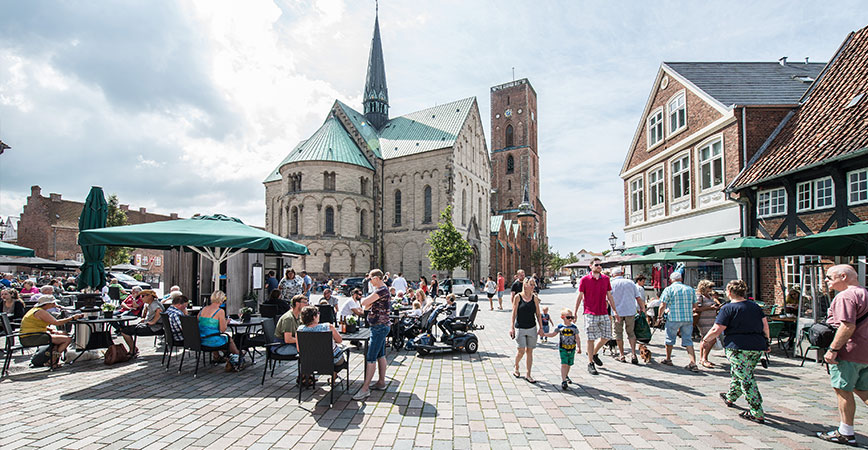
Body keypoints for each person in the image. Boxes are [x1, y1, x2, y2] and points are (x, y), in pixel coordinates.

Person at [700, 280, 769, 424]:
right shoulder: (755, 306)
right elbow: (765, 326)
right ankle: (730, 396)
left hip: (737, 347)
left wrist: (705, 340)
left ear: (730, 292)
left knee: (746, 378)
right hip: (756, 346)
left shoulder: (728, 308)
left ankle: (756, 411)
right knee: (741, 372)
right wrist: (766, 342)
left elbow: (717, 329)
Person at [816, 264, 868, 445]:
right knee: (864, 390)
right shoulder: (865, 293)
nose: (826, 280)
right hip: (865, 351)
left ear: (844, 276)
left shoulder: (845, 296)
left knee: (843, 390)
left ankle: (846, 432)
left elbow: (847, 326)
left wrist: (833, 350)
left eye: (830, 277)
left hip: (848, 352)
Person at [574, 258, 619, 375]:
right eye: (597, 265)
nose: (599, 267)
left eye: (601, 265)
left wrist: (615, 311)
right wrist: (575, 312)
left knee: (606, 336)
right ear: (591, 266)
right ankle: (590, 363)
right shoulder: (585, 280)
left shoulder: (606, 279)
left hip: (603, 312)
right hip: (590, 313)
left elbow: (609, 296)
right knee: (590, 338)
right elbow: (580, 296)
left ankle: (593, 353)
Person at [353, 269, 392, 401]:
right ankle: (381, 382)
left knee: (371, 357)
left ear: (376, 278)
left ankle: (365, 389)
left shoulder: (380, 291)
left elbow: (364, 303)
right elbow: (366, 307)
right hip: (381, 326)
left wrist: (366, 301)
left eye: (370, 278)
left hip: (379, 327)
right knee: (380, 355)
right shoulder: (382, 290)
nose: (369, 281)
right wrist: (368, 302)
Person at [19, 295, 83, 368]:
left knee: (63, 333)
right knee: (67, 339)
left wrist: (49, 329)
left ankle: (53, 357)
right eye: (53, 303)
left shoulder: (35, 310)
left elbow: (35, 324)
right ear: (47, 304)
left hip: (30, 335)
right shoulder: (40, 312)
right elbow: (57, 322)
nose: (54, 305)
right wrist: (72, 317)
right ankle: (52, 360)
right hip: (31, 337)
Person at [657, 271, 699, 372]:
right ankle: (693, 363)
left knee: (669, 338)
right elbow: (695, 306)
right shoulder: (690, 289)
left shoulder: (669, 289)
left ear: (671, 280)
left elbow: (663, 305)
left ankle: (668, 358)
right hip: (687, 318)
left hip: (674, 318)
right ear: (681, 279)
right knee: (688, 340)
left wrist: (659, 316)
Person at [198, 290, 244, 370]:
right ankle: (238, 355)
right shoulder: (220, 311)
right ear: (222, 300)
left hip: (201, 339)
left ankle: (219, 356)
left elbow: (198, 322)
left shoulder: (203, 310)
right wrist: (226, 321)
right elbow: (222, 329)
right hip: (211, 341)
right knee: (228, 338)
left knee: (219, 337)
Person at [297, 305, 346, 380]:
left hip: (310, 361)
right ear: (314, 317)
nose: (319, 315)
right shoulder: (328, 327)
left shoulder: (300, 330)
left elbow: (299, 349)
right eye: (318, 313)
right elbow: (339, 340)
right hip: (331, 360)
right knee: (339, 353)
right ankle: (333, 376)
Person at [510, 277, 544, 383]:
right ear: (525, 284)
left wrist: (541, 328)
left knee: (530, 351)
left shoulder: (534, 298)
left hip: (532, 327)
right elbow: (514, 313)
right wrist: (512, 327)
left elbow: (538, 314)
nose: (533, 287)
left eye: (534, 285)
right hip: (520, 327)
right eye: (531, 284)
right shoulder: (518, 297)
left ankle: (528, 374)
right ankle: (516, 366)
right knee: (521, 350)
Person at [610, 267, 647, 364]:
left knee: (618, 333)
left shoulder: (611, 284)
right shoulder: (630, 283)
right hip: (630, 311)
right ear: (622, 273)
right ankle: (634, 354)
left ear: (613, 275)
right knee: (631, 333)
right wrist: (642, 308)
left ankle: (622, 355)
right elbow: (638, 297)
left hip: (617, 312)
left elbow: (607, 299)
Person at [544, 308, 581, 390]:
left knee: (569, 364)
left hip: (572, 348)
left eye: (572, 317)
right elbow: (553, 334)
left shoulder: (574, 328)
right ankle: (564, 380)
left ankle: (566, 375)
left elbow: (577, 338)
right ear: (562, 317)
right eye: (568, 317)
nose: (570, 319)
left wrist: (579, 347)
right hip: (563, 348)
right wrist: (544, 334)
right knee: (564, 364)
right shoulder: (560, 327)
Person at [120, 290, 164, 357]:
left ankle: (133, 350)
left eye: (143, 296)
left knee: (124, 331)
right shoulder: (152, 303)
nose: (141, 298)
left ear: (149, 296)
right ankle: (133, 348)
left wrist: (153, 322)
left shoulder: (154, 304)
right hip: (152, 326)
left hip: (154, 328)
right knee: (126, 329)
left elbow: (159, 311)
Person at [695, 280, 722, 368]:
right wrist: (710, 308)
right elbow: (696, 308)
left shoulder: (709, 296)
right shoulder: (699, 296)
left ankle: (702, 358)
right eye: (709, 287)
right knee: (711, 338)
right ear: (704, 287)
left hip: (711, 319)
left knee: (704, 338)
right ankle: (704, 359)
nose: (711, 289)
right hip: (703, 320)